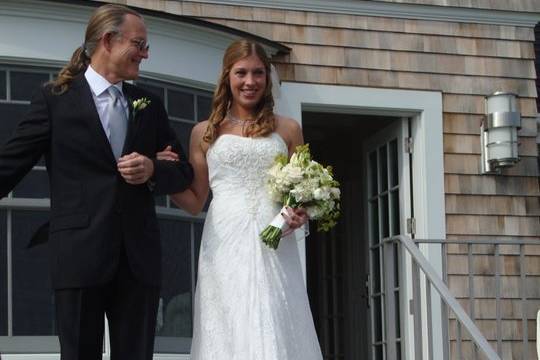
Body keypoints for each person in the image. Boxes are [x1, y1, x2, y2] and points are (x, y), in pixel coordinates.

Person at [0, 4, 193, 360]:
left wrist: (152, 168)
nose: (145, 54)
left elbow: (183, 172)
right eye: (139, 44)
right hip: (78, 255)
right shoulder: (54, 100)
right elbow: (9, 164)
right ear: (108, 40)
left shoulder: (148, 104)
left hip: (138, 259)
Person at [158, 39, 323, 359]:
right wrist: (160, 175)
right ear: (227, 76)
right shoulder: (204, 132)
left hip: (273, 235)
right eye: (241, 73)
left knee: (273, 310)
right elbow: (195, 201)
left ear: (267, 78)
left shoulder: (288, 129)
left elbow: (302, 191)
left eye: (258, 73)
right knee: (227, 316)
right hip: (224, 237)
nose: (250, 82)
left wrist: (301, 212)